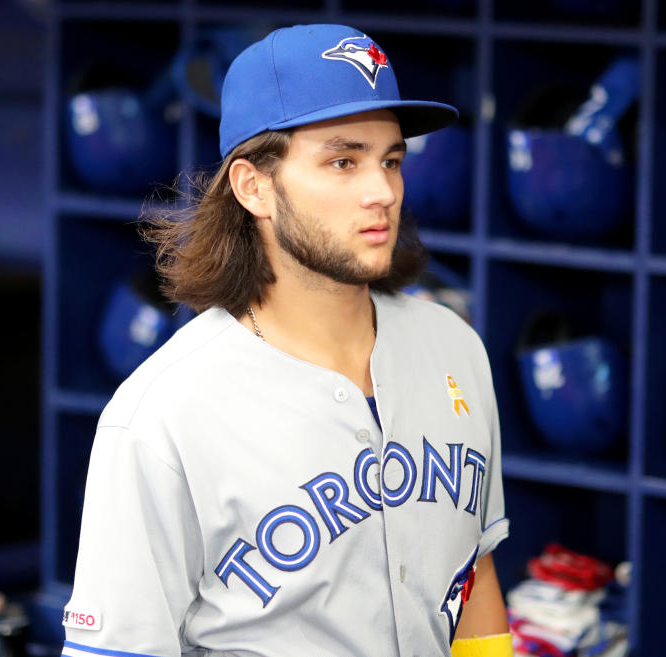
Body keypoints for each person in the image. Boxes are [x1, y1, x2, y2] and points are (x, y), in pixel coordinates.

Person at [61, 24, 511, 657]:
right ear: (254, 187)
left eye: (391, 160)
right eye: (342, 161)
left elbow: (474, 568)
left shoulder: (454, 346)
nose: (382, 191)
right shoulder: (160, 416)